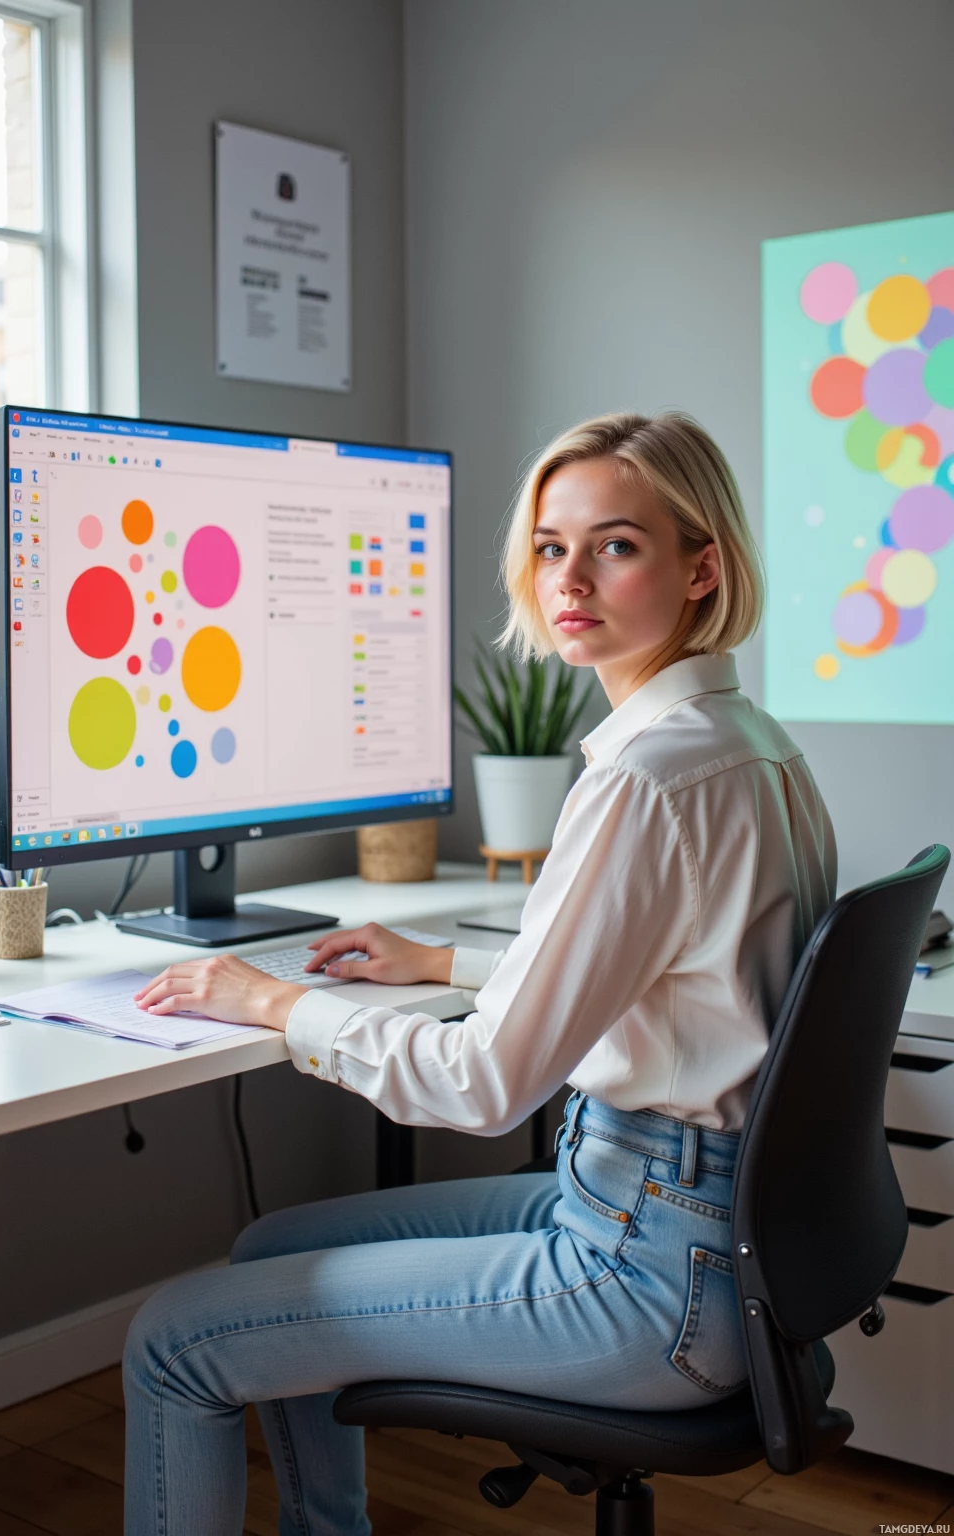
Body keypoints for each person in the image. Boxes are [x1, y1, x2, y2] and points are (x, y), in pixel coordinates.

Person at [123, 411, 836, 1536]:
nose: (570, 578)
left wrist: (275, 1003)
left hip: (643, 1270)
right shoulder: (746, 745)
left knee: (174, 1339)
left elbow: (482, 1084)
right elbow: (671, 966)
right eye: (552, 547)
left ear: (702, 566)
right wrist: (445, 960)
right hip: (694, 1224)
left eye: (615, 544)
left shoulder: (648, 779)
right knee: (273, 1246)